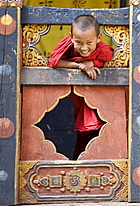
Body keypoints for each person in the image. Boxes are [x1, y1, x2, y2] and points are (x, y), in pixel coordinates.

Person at [49, 15, 114, 160]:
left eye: (89, 42)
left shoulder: (102, 48)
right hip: (78, 96)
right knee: (83, 133)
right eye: (78, 42)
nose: (84, 48)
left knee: (100, 130)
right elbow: (54, 62)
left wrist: (94, 63)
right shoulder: (67, 44)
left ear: (99, 38)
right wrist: (80, 66)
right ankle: (79, 162)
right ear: (71, 37)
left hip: (101, 98)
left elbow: (110, 59)